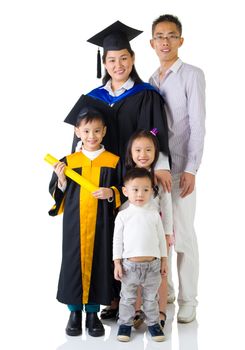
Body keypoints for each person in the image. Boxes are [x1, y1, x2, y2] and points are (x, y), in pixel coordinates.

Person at [64, 20, 172, 319]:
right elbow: (82, 140)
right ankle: (113, 299)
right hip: (105, 179)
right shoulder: (94, 99)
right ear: (104, 62)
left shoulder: (145, 94)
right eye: (111, 59)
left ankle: (147, 303)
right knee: (109, 236)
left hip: (137, 179)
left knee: (139, 235)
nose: (118, 64)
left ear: (133, 58)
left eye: (124, 57)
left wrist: (160, 167)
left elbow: (157, 134)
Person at [149, 14, 206, 323]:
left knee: (183, 235)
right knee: (161, 234)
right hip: (156, 172)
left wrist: (192, 169)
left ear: (180, 41)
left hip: (181, 169)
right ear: (152, 43)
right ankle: (166, 290)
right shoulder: (150, 80)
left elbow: (198, 124)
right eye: (160, 36)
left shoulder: (191, 75)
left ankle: (189, 299)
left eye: (171, 35)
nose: (165, 41)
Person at [48, 106, 122, 337]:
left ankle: (92, 313)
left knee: (100, 263)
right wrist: (61, 179)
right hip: (74, 225)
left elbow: (124, 190)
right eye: (87, 131)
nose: (92, 136)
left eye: (97, 131)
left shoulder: (113, 161)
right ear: (77, 132)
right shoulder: (68, 161)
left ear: (104, 132)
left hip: (103, 225)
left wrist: (111, 192)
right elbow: (58, 191)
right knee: (73, 265)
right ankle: (74, 313)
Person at [122, 129, 173, 330]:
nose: (143, 154)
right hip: (134, 236)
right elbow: (124, 207)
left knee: (160, 273)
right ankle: (136, 312)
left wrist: (168, 233)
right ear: (131, 153)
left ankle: (160, 312)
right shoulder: (127, 177)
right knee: (133, 274)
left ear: (155, 152)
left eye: (148, 150)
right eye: (138, 150)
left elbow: (167, 208)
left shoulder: (159, 179)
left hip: (157, 235)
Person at [113, 167, 168, 342]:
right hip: (129, 267)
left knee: (151, 298)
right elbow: (117, 242)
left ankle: (153, 324)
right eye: (135, 189)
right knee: (128, 298)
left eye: (145, 189)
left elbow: (161, 240)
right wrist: (117, 263)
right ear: (125, 191)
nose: (140, 194)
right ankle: (125, 324)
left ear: (152, 191)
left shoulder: (154, 215)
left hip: (153, 266)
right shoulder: (123, 215)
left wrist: (164, 261)